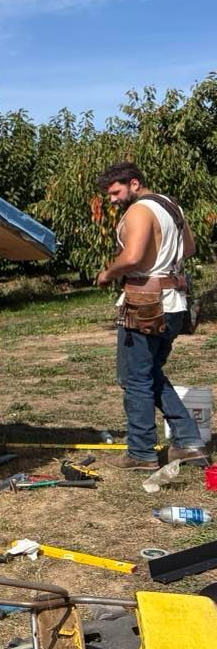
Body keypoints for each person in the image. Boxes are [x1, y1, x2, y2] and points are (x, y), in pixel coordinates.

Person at [94, 162, 205, 469]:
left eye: (116, 192)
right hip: (173, 303)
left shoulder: (140, 210)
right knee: (149, 372)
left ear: (134, 183)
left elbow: (131, 258)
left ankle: (141, 452)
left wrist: (108, 272)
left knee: (135, 379)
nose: (113, 200)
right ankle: (189, 442)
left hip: (146, 303)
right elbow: (190, 248)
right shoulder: (172, 206)